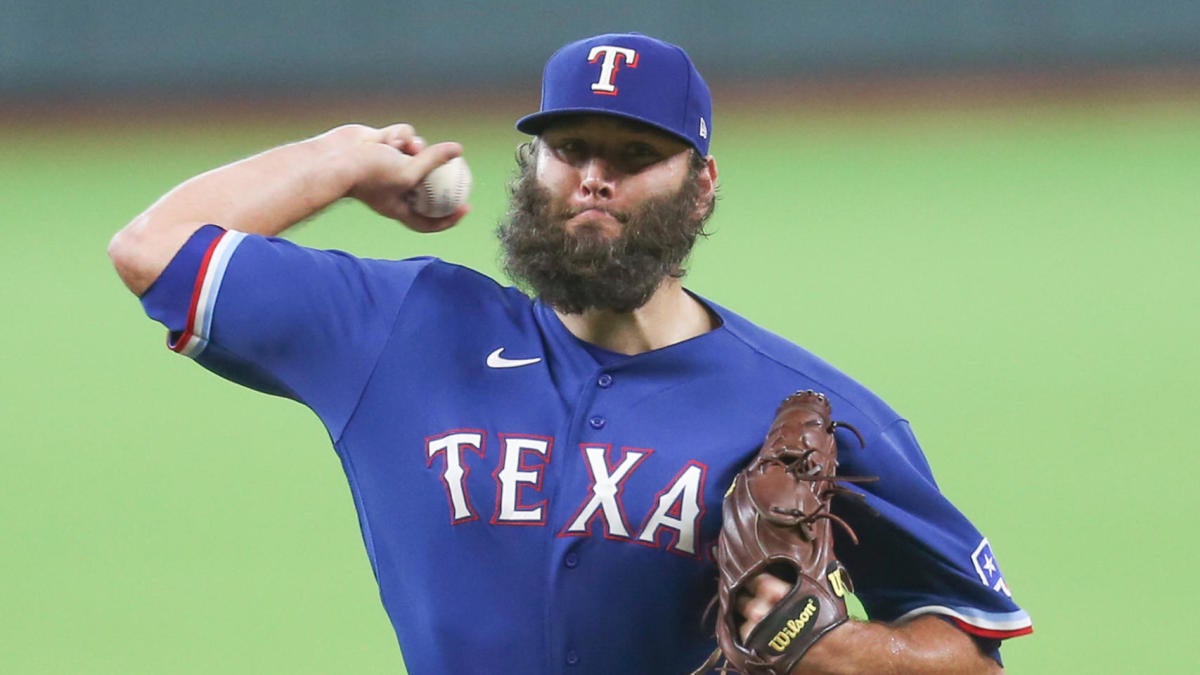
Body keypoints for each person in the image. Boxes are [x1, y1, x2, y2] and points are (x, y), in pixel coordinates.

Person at [109, 32, 1031, 675]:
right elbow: (152, 247)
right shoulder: (404, 327)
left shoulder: (805, 409)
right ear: (536, 168)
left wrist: (836, 650)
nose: (595, 173)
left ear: (701, 185)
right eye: (571, 147)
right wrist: (343, 159)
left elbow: (971, 643)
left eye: (635, 153)